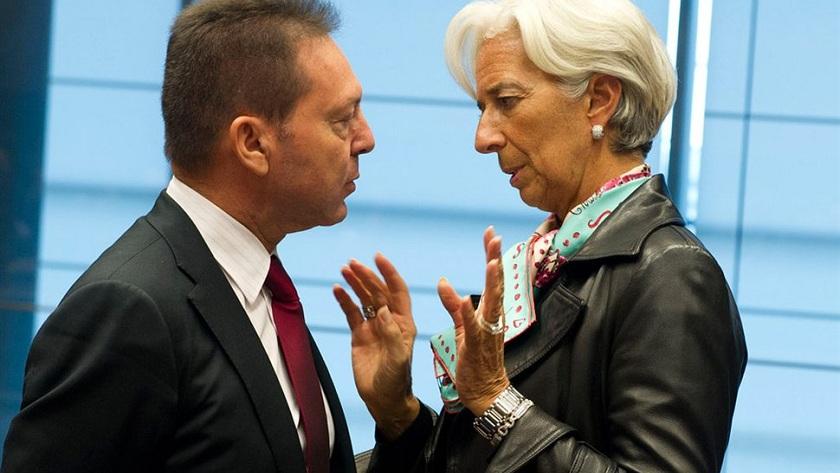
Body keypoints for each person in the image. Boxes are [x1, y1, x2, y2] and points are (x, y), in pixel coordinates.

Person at [334, 0, 747, 472]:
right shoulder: (548, 263)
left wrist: (497, 401)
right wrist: (399, 414)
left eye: (506, 101)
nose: (482, 137)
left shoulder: (672, 273)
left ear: (598, 99)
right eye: (482, 108)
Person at [1, 1, 374, 472]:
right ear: (252, 143)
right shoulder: (129, 308)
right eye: (341, 120)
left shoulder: (259, 282)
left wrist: (398, 418)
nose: (365, 138)